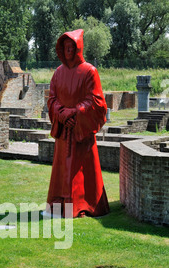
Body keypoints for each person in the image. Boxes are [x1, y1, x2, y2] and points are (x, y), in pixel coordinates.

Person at [46, 29, 110, 218]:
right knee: (62, 169)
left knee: (81, 170)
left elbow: (97, 101)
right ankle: (60, 203)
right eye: (65, 47)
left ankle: (84, 203)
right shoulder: (58, 73)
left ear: (78, 48)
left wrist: (75, 111)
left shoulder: (90, 71)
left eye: (71, 47)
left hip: (80, 131)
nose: (68, 51)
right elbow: (52, 98)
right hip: (64, 130)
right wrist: (60, 112)